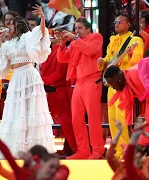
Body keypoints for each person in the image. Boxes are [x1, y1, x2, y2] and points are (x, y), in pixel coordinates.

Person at [0, 5, 55, 157]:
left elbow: (41, 33)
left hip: (30, 75)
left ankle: (35, 150)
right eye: (8, 25)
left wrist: (43, 18)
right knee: (17, 112)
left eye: (11, 25)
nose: (8, 27)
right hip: (16, 78)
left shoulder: (27, 38)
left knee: (32, 110)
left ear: (18, 26)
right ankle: (16, 150)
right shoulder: (7, 45)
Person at [98, 14, 144, 159]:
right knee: (112, 119)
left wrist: (130, 55)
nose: (116, 24)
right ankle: (117, 151)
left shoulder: (135, 40)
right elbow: (108, 59)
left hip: (124, 84)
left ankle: (125, 151)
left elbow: (137, 62)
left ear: (128, 25)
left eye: (120, 21)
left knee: (122, 119)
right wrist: (102, 61)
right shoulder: (113, 40)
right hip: (112, 84)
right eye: (115, 21)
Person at [57, 17, 104, 159]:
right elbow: (63, 59)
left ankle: (97, 151)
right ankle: (83, 150)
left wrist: (74, 39)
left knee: (93, 117)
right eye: (75, 28)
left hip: (92, 80)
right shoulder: (75, 43)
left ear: (88, 29)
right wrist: (62, 44)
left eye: (80, 28)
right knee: (76, 118)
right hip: (79, 82)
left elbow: (90, 51)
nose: (77, 31)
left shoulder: (96, 37)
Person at [104, 63, 149, 147]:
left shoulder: (136, 73)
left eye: (112, 84)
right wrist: (129, 129)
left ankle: (139, 148)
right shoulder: (125, 83)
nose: (113, 87)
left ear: (117, 78)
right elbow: (128, 106)